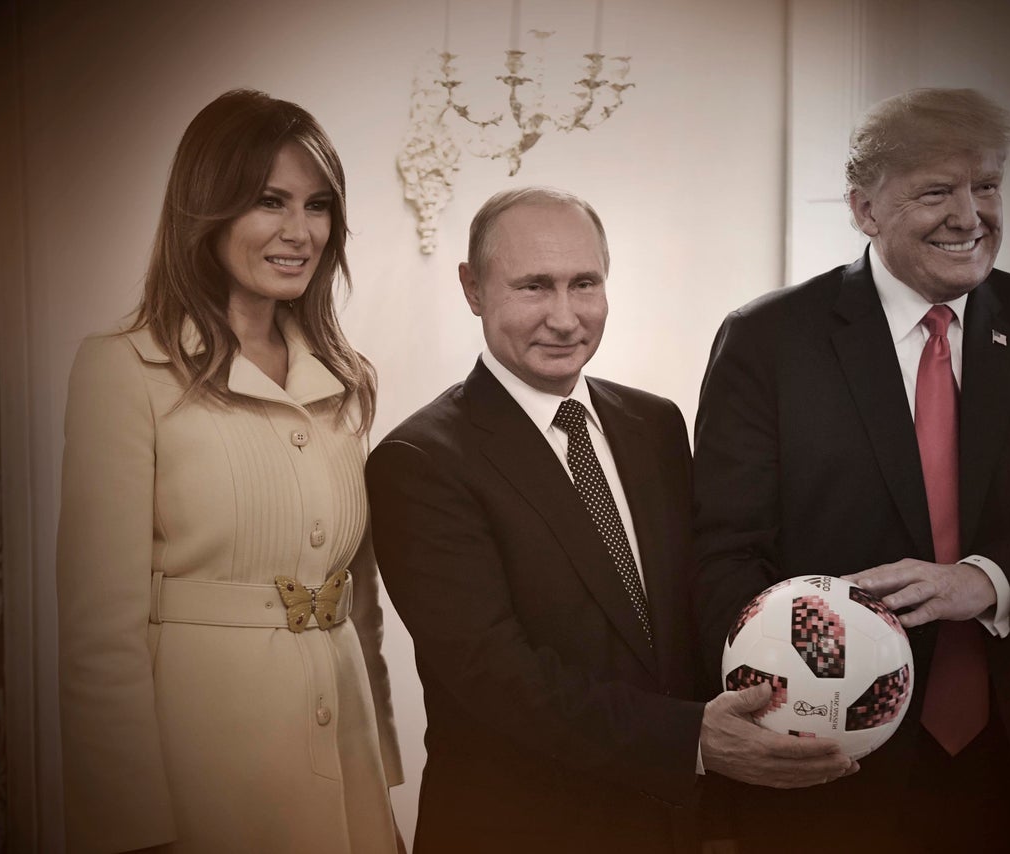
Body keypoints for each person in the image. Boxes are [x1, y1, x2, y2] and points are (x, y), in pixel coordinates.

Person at [693, 87, 1010, 853]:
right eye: (937, 191)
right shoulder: (767, 340)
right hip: (837, 764)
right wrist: (792, 697)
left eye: (987, 186)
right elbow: (725, 553)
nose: (970, 215)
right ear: (865, 209)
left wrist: (985, 580)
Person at [365, 187, 856, 854]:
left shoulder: (654, 423)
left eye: (584, 284)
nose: (565, 317)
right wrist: (690, 741)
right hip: (522, 829)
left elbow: (682, 618)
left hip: (672, 823)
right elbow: (493, 673)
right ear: (473, 288)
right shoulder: (418, 458)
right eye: (534, 287)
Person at [57, 89, 403, 853]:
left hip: (343, 762)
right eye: (267, 201)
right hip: (204, 771)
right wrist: (128, 827)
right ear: (205, 211)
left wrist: (379, 760)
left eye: (317, 206)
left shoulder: (348, 378)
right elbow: (98, 635)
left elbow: (360, 596)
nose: (299, 231)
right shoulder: (124, 369)